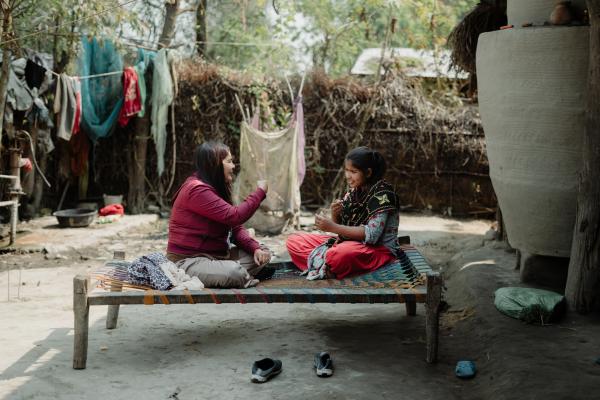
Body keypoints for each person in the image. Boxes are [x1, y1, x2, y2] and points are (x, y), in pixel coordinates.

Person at [167, 141, 271, 288]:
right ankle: (237, 275)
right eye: (229, 161)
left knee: (264, 253)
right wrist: (260, 192)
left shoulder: (214, 188)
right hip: (188, 262)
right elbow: (235, 216)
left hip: (217, 257)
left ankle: (225, 274)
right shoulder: (196, 190)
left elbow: (235, 226)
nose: (233, 166)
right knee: (234, 273)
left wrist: (255, 248)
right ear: (214, 164)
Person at [286, 146, 400, 280]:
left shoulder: (383, 195)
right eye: (346, 170)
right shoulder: (355, 191)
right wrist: (335, 215)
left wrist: (332, 227)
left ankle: (328, 263)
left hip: (376, 251)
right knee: (294, 240)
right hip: (348, 244)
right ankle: (329, 265)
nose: (348, 176)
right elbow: (342, 229)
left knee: (337, 255)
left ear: (368, 173)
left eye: (353, 171)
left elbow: (372, 236)